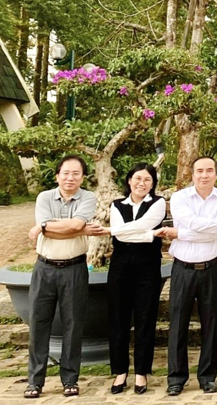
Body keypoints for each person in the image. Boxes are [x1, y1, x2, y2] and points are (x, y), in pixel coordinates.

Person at [155, 156, 217, 396]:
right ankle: (176, 378)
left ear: (216, 174)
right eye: (199, 171)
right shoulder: (179, 198)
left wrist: (180, 233)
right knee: (178, 324)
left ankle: (207, 377)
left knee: (210, 323)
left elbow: (210, 234)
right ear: (192, 174)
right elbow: (195, 224)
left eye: (209, 171)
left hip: (211, 268)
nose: (204, 175)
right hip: (183, 269)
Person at [24, 155, 102, 399]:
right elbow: (72, 228)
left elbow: (75, 226)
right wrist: (69, 227)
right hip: (44, 268)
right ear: (57, 175)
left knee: (73, 324)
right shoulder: (44, 197)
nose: (70, 178)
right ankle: (35, 381)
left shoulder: (88, 197)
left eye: (76, 173)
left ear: (83, 177)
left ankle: (70, 380)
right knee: (38, 323)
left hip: (74, 268)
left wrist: (44, 227)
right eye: (66, 173)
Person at [105, 163, 166, 395]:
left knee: (145, 318)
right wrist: (150, 235)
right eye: (137, 178)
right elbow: (122, 235)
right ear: (129, 180)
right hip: (120, 267)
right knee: (118, 318)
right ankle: (120, 371)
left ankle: (141, 372)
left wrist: (116, 231)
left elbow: (139, 226)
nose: (142, 183)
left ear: (153, 183)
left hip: (147, 267)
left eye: (147, 179)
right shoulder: (117, 204)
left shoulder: (158, 203)